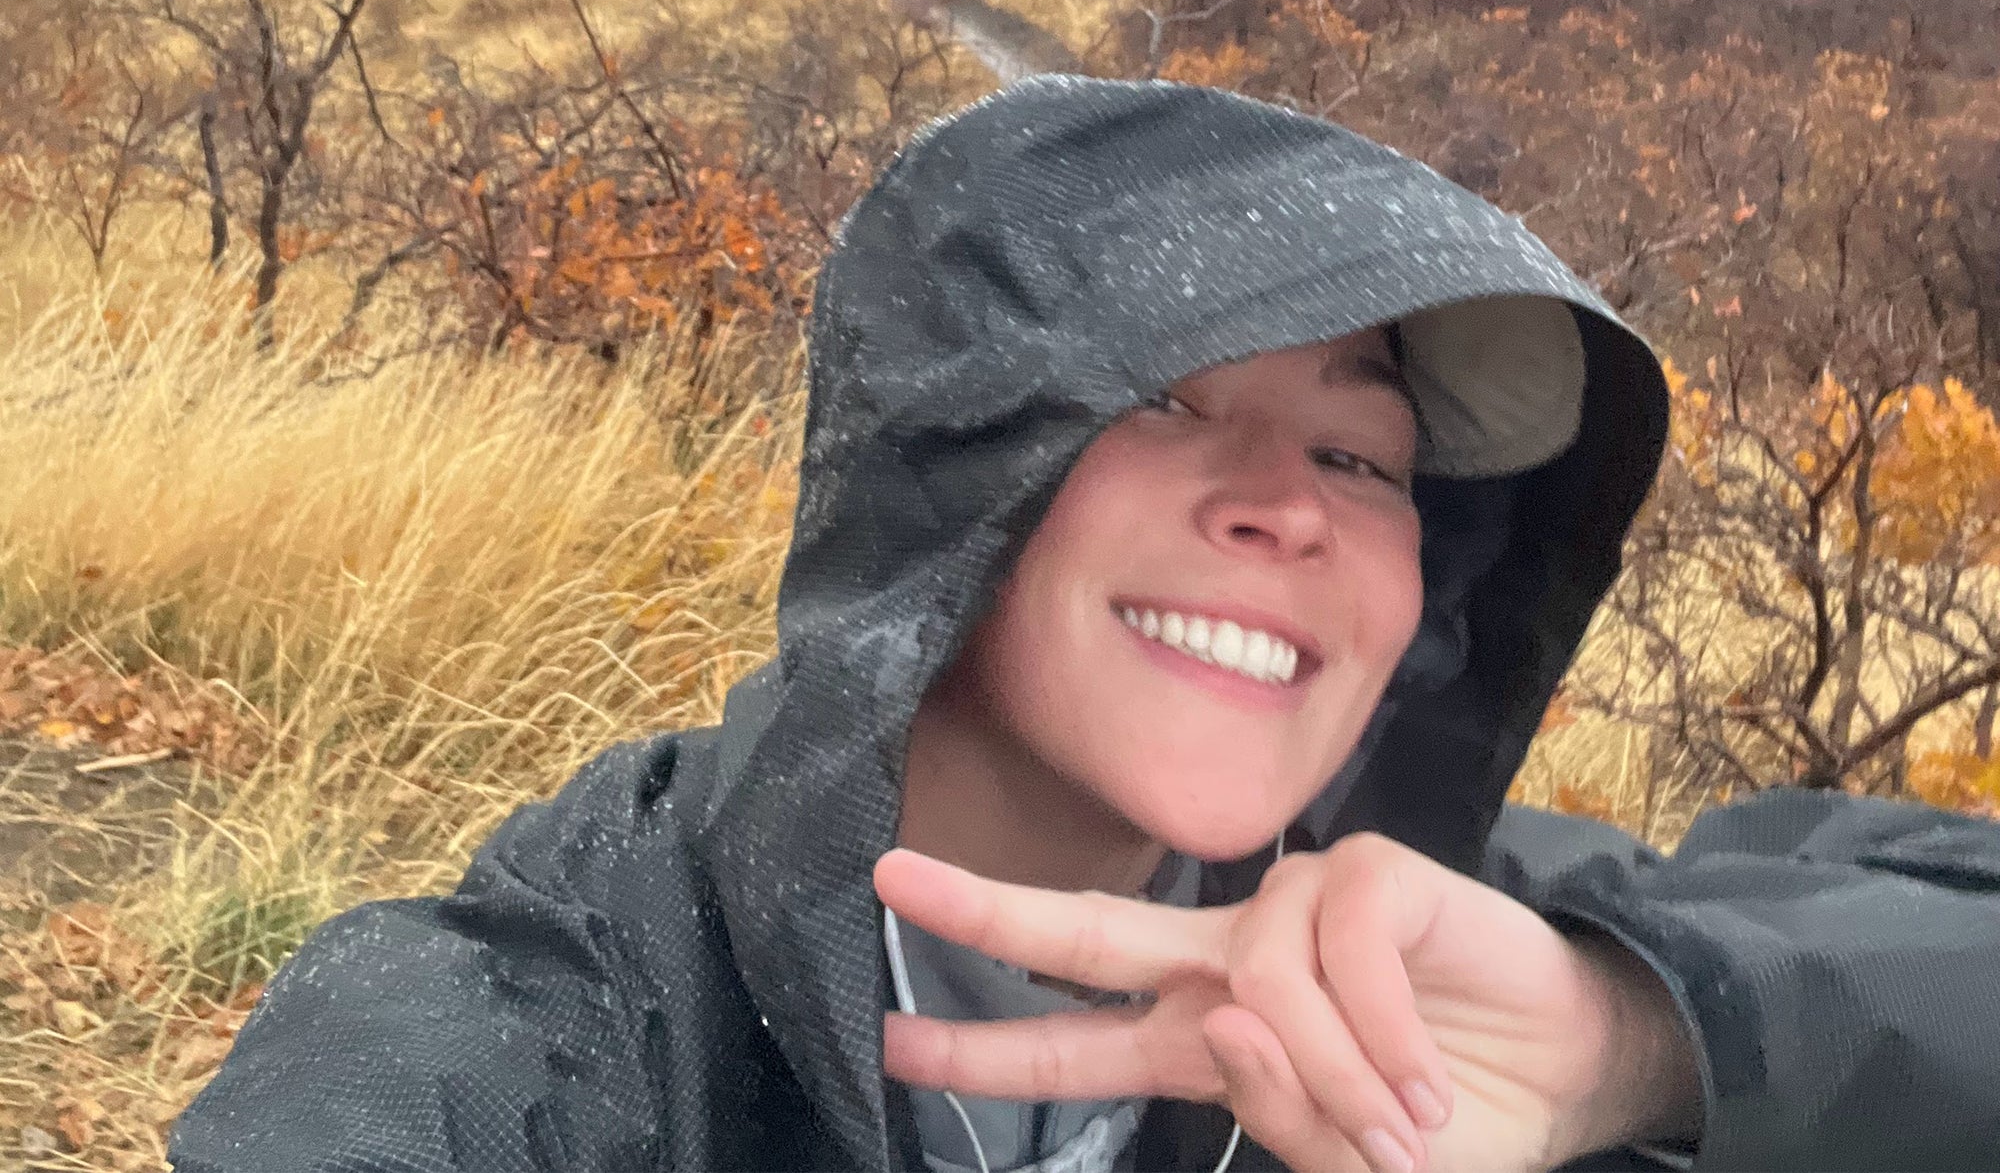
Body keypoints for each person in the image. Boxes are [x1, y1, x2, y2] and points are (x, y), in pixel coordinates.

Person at [167, 76, 2000, 1173]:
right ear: (941, 479)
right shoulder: (533, 1036)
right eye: (1166, 402)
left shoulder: (1410, 954)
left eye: (1362, 453)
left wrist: (1638, 1046)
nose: (1285, 501)